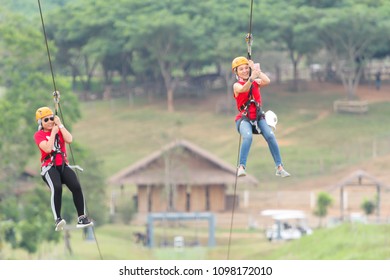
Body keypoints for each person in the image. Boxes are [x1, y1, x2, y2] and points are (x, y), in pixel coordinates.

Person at [34, 106, 93, 231]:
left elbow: (69, 139)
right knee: (57, 188)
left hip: (63, 165)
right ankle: (58, 219)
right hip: (49, 167)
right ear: (41, 123)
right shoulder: (39, 135)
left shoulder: (59, 129)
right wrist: (53, 133)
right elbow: (48, 149)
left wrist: (60, 125)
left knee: (76, 187)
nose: (50, 121)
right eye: (46, 120)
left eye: (51, 118)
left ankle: (82, 217)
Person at [232, 56, 290, 178]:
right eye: (241, 69)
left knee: (270, 135)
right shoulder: (237, 85)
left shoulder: (255, 82)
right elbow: (243, 89)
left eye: (246, 68)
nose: (244, 71)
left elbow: (267, 80)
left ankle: (279, 167)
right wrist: (252, 78)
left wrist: (255, 70)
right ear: (236, 72)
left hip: (258, 117)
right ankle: (241, 167)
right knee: (247, 137)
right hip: (244, 119)